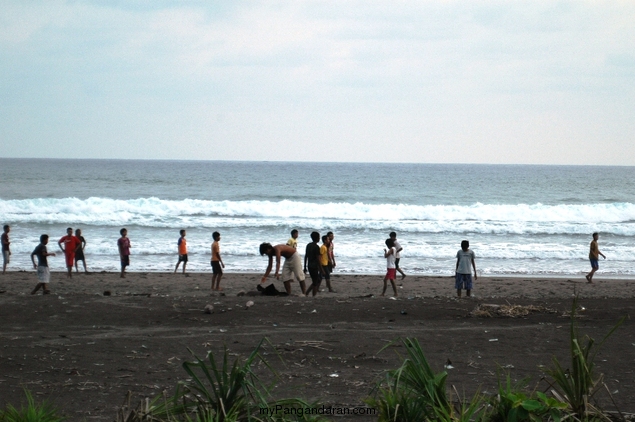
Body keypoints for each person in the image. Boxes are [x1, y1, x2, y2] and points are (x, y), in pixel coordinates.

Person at [303, 231, 324, 297]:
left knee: (315, 280)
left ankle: (307, 293)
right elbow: (318, 259)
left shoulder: (308, 245)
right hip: (314, 266)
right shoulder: (317, 247)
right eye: (319, 237)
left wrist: (305, 266)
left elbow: (306, 256)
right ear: (317, 238)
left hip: (309, 265)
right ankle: (313, 295)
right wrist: (321, 269)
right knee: (315, 282)